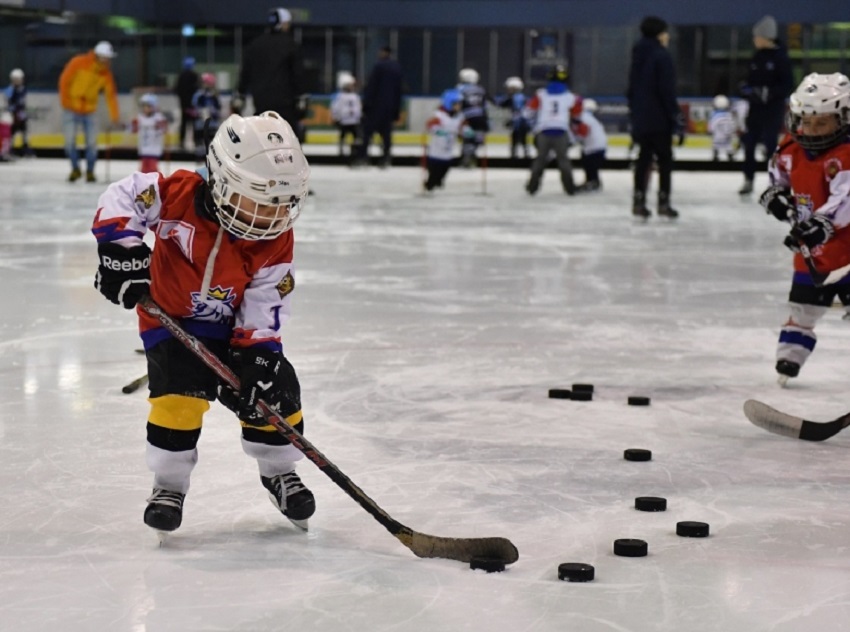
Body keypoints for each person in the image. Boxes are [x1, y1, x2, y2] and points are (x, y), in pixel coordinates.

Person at [91, 110, 315, 535]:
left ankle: (280, 472)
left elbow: (267, 296)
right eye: (259, 200)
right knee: (178, 399)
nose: (271, 215)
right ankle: (169, 485)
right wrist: (120, 250)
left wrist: (260, 352)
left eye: (282, 203)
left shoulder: (274, 238)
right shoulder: (176, 195)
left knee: (275, 394)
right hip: (169, 321)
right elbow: (124, 195)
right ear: (223, 182)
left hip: (234, 330)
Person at [757, 73, 850, 387]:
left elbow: (846, 199)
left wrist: (822, 223)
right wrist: (776, 196)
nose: (811, 130)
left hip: (846, 249)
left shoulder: (845, 154)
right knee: (803, 307)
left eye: (821, 123)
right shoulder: (790, 148)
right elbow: (777, 177)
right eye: (805, 122)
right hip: (813, 253)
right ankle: (789, 358)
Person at [626, 16, 682, 219]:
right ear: (659, 34)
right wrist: (674, 115)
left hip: (641, 118)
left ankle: (639, 200)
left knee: (643, 159)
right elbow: (666, 90)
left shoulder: (638, 54)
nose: (667, 36)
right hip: (660, 119)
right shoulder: (662, 56)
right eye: (665, 33)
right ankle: (663, 202)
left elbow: (631, 88)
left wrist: (635, 113)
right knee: (664, 160)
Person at [738, 15, 793, 196]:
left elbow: (787, 85)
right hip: (755, 110)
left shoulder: (781, 58)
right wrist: (747, 90)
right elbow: (749, 80)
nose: (754, 40)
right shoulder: (757, 57)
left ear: (766, 37)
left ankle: (776, 182)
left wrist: (770, 93)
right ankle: (748, 179)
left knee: (771, 146)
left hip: (772, 110)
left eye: (757, 36)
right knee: (749, 144)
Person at [58, 41, 120, 182]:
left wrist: (115, 116)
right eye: (105, 57)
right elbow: (64, 81)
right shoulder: (78, 63)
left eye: (108, 58)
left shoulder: (106, 73)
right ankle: (75, 169)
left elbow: (111, 96)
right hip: (71, 109)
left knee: (92, 144)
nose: (107, 60)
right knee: (69, 142)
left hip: (90, 110)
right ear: (98, 55)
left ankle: (90, 171)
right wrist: (66, 102)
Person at [237, 8, 305, 134]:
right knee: (287, 139)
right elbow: (298, 75)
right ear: (284, 24)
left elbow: (245, 74)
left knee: (262, 138)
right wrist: (301, 96)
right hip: (285, 105)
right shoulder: (291, 45)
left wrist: (240, 93)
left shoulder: (254, 45)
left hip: (261, 104)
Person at [524, 64, 578, 196]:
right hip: (561, 131)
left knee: (540, 159)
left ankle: (532, 187)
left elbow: (528, 112)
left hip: (543, 131)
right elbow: (577, 113)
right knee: (563, 160)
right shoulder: (570, 97)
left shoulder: (541, 95)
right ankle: (570, 188)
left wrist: (534, 123)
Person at [357, 46, 403, 168]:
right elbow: (398, 91)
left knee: (367, 133)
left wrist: (366, 105)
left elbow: (372, 87)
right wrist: (396, 110)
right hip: (389, 108)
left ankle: (363, 157)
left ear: (384, 52)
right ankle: (386, 158)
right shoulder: (397, 68)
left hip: (375, 107)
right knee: (386, 135)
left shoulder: (378, 66)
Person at [422, 88, 467, 193]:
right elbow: (430, 125)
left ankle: (438, 180)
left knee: (445, 168)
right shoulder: (439, 115)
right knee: (434, 169)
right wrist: (437, 130)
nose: (459, 106)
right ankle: (430, 183)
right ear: (449, 103)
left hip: (448, 150)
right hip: (436, 150)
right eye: (457, 104)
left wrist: (466, 132)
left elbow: (463, 127)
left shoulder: (460, 116)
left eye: (460, 104)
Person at [456, 68, 490, 168]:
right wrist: (487, 120)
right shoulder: (481, 89)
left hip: (466, 117)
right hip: (480, 118)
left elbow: (456, 104)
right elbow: (485, 105)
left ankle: (466, 157)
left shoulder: (459, 89)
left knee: (467, 139)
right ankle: (471, 156)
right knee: (477, 139)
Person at [572, 98, 607, 192]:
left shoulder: (583, 117)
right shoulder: (591, 119)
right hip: (600, 147)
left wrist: (575, 139)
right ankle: (593, 181)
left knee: (589, 165)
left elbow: (583, 132)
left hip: (593, 148)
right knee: (592, 167)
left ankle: (592, 182)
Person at [131, 93, 169, 174]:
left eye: (148, 106)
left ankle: (155, 180)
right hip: (143, 147)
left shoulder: (159, 118)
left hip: (154, 147)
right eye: (144, 106)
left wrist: (159, 126)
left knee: (152, 168)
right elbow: (134, 130)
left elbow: (164, 129)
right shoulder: (140, 118)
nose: (146, 109)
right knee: (143, 168)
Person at [496, 76, 530, 160]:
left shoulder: (512, 98)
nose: (508, 90)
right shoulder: (524, 97)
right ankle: (526, 154)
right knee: (524, 139)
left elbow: (501, 104)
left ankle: (514, 155)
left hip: (518, 122)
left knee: (515, 138)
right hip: (524, 121)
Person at [330, 72, 362, 159]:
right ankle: (341, 151)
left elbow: (358, 108)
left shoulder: (355, 96)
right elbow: (336, 107)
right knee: (343, 136)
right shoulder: (341, 97)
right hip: (344, 121)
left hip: (354, 121)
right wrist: (336, 117)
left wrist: (359, 116)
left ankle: (355, 151)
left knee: (356, 137)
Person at [191, 73, 222, 161]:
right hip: (200, 125)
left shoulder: (215, 95)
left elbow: (218, 108)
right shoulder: (198, 95)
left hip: (212, 125)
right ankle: (199, 160)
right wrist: (200, 112)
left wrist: (213, 112)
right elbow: (194, 107)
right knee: (199, 146)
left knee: (211, 147)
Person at [4, 68, 32, 157]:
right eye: (16, 79)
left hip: (21, 113)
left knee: (24, 130)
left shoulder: (23, 89)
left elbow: (23, 102)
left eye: (19, 79)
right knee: (12, 131)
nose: (18, 81)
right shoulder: (10, 89)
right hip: (13, 113)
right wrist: (12, 112)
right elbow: (8, 102)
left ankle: (25, 148)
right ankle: (10, 149)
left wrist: (23, 114)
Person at [174, 57, 199, 151]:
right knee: (194, 123)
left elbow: (176, 89)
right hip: (192, 105)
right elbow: (197, 89)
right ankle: (196, 141)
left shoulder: (181, 76)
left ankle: (181, 142)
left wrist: (183, 102)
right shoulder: (194, 76)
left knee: (184, 123)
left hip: (184, 105)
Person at [708, 95, 738, 161]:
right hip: (727, 137)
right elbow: (732, 125)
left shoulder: (714, 114)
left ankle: (716, 156)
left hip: (717, 137)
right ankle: (730, 156)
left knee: (716, 147)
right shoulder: (729, 114)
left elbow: (711, 126)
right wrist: (731, 133)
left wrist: (710, 131)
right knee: (728, 147)